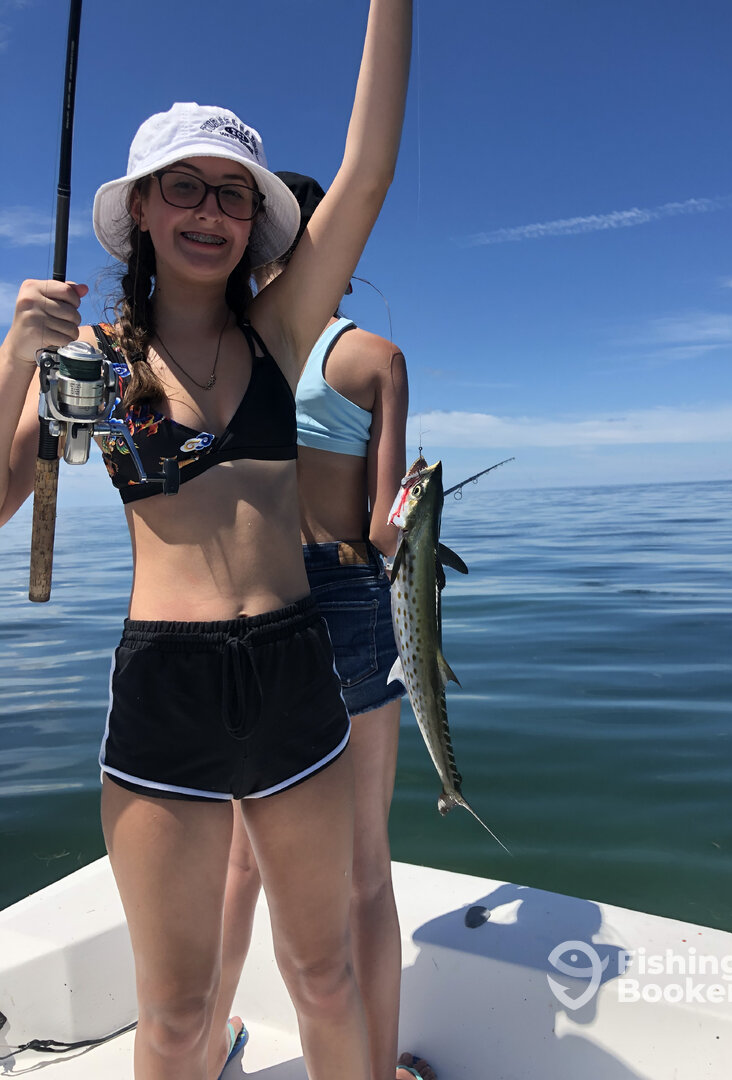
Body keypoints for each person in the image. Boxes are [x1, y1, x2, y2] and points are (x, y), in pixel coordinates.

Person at [0, 3, 411, 1078]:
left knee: (324, 976)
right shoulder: (92, 360)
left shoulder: (281, 333)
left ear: (256, 223)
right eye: (182, 186)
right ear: (139, 208)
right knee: (178, 1018)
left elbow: (367, 173)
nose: (210, 211)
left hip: (295, 673)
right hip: (164, 689)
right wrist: (14, 356)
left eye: (234, 193)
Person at [206, 173, 435, 1080]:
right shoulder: (375, 359)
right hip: (345, 599)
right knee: (366, 873)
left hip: (248, 601)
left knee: (241, 863)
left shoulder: (228, 350)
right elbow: (383, 530)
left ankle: (205, 1042)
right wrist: (417, 498)